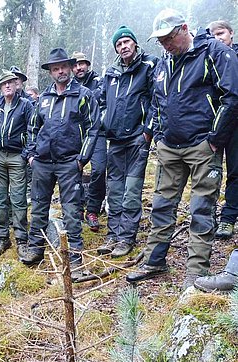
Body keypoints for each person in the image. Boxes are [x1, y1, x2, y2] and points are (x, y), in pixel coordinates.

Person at [127, 9, 238, 287]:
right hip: (169, 146)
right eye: (160, 40)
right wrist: (157, 134)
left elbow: (232, 97)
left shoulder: (214, 52)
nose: (164, 44)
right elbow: (158, 101)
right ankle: (154, 261)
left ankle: (195, 274)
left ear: (184, 28)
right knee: (162, 206)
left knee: (201, 208)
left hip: (202, 145)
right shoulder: (165, 62)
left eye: (168, 38)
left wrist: (215, 139)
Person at [21, 48, 100, 277]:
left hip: (69, 162)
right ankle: (35, 247)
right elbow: (33, 127)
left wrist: (81, 160)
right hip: (43, 162)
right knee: (38, 205)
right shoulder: (44, 98)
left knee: (72, 209)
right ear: (51, 72)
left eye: (64, 67)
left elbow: (93, 129)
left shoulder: (83, 95)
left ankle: (75, 255)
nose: (60, 71)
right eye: (55, 69)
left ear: (70, 68)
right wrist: (31, 155)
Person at [97, 26, 158, 258]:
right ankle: (113, 234)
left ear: (134, 43)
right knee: (114, 189)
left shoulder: (147, 67)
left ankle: (126, 237)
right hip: (115, 140)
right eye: (119, 44)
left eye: (126, 42)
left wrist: (147, 130)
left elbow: (157, 99)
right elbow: (101, 101)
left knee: (131, 190)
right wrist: (105, 122)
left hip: (136, 139)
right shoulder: (111, 73)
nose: (123, 46)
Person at [0, 70, 34, 257]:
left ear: (16, 85)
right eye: (3, 83)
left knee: (18, 198)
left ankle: (21, 239)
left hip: (17, 156)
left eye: (10, 82)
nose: (7, 86)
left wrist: (25, 154)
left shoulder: (25, 106)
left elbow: (33, 130)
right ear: (0, 87)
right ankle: (2, 237)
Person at [208, 20, 238, 240]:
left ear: (231, 34)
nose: (217, 38)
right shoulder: (209, 59)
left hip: (236, 123)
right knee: (211, 172)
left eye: (221, 33)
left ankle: (228, 219)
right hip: (214, 124)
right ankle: (208, 217)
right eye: (213, 35)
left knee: (235, 173)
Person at [71, 51, 106, 233]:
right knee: (74, 169)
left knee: (99, 169)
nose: (79, 67)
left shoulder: (99, 82)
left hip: (98, 133)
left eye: (82, 64)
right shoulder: (69, 87)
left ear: (88, 65)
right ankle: (76, 208)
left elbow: (107, 103)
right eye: (75, 65)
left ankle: (92, 209)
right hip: (76, 134)